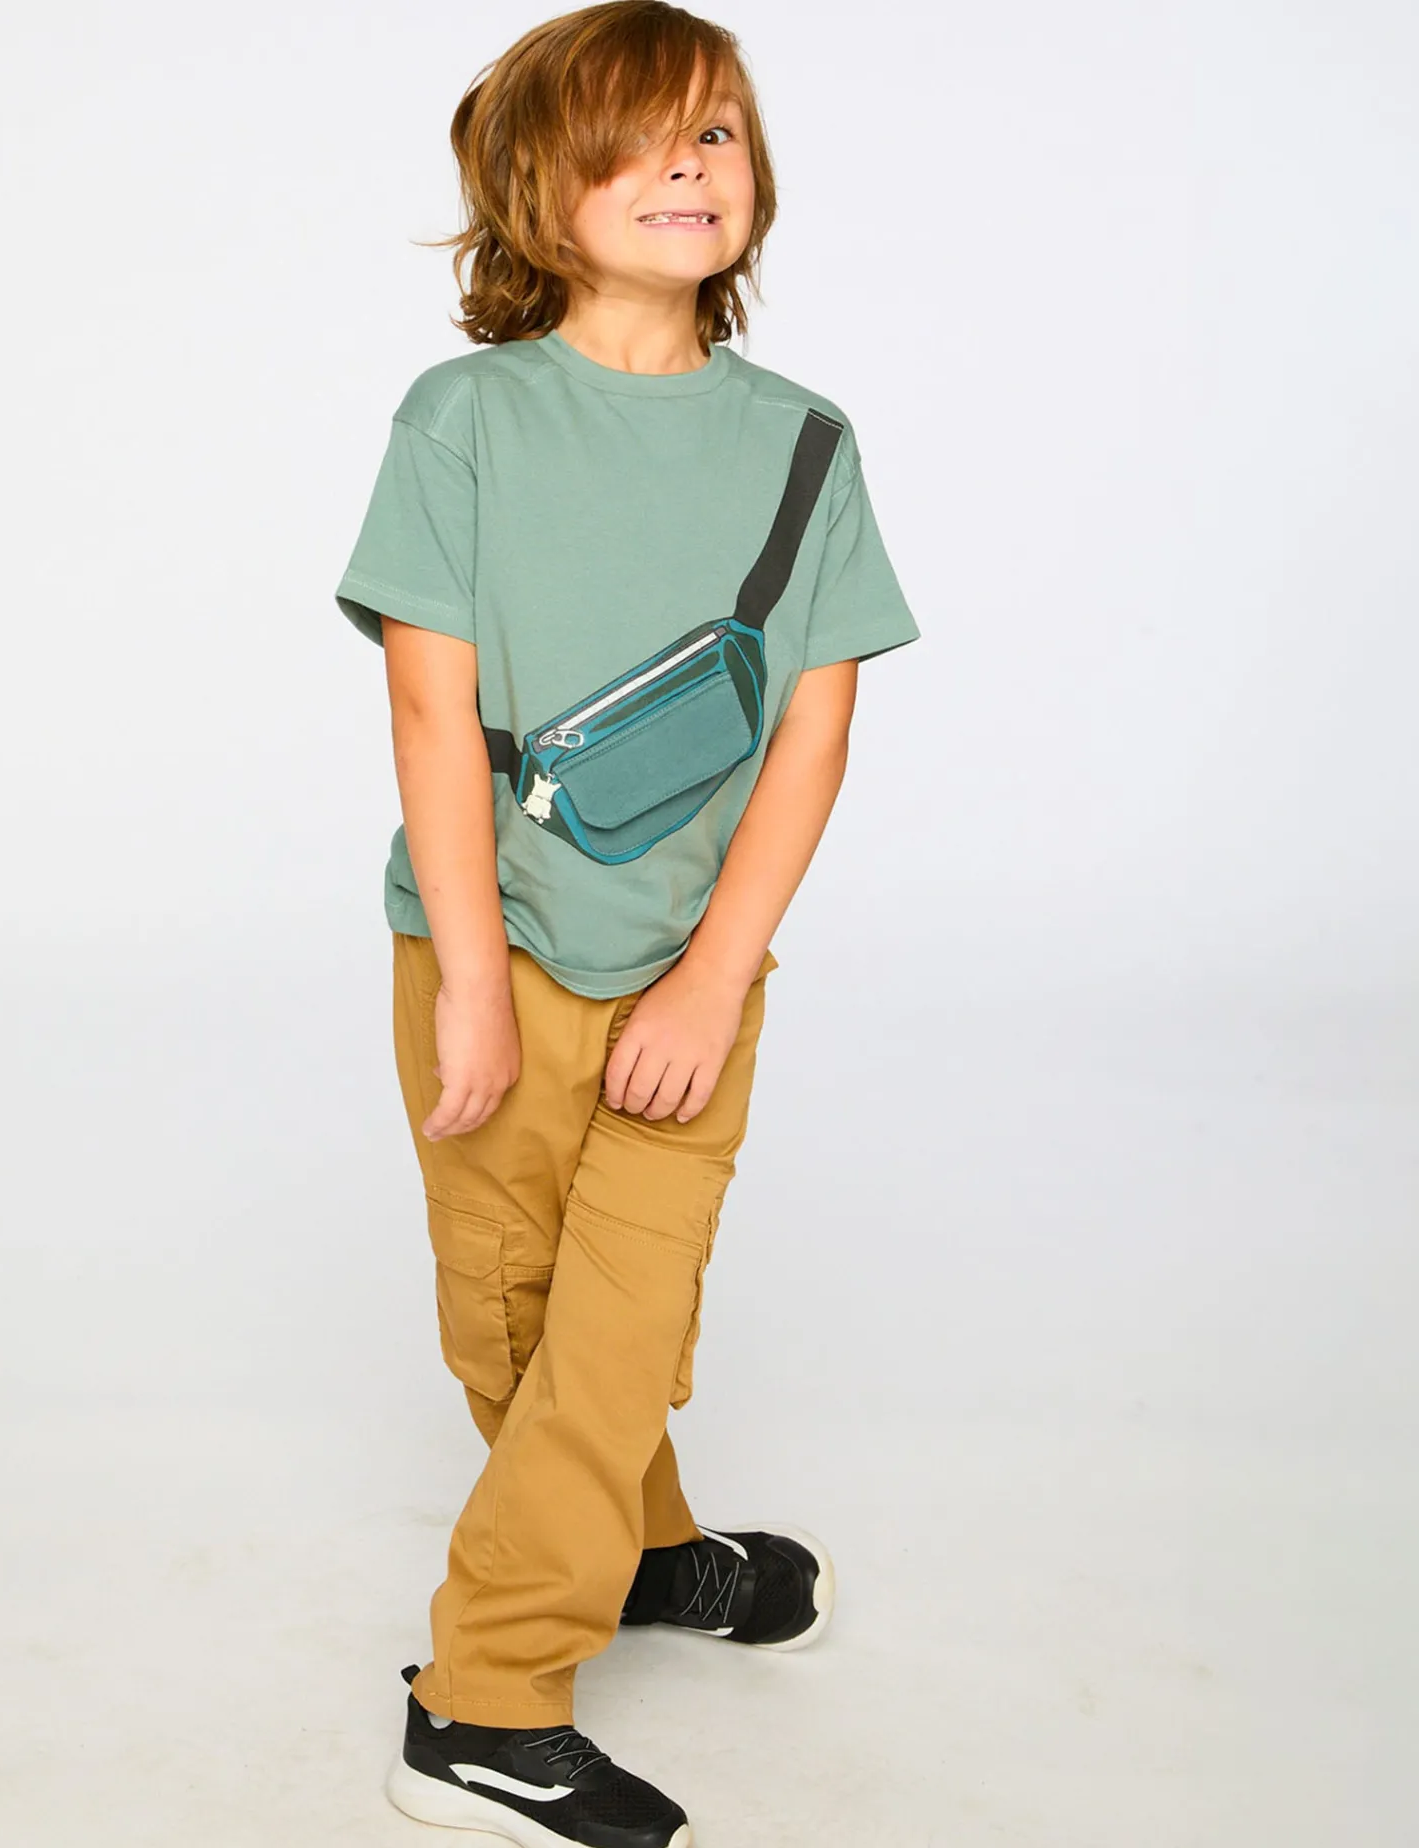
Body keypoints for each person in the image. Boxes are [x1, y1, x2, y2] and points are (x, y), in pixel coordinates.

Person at [332, 6, 920, 1843]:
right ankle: (646, 1548)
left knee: (619, 1319)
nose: (688, 165)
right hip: (487, 948)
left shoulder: (805, 442)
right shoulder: (466, 419)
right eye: (638, 137)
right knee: (514, 1319)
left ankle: (482, 1700)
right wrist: (475, 986)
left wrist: (715, 975)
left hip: (690, 968)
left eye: (717, 132)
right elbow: (433, 713)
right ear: (540, 188)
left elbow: (813, 731)